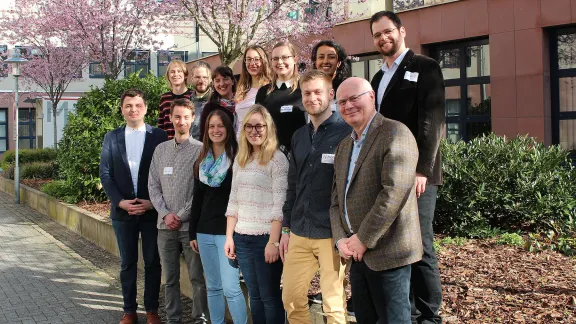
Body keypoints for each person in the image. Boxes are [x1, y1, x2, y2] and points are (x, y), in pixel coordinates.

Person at [368, 10, 446, 324]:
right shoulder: (377, 77)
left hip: (416, 174)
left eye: (388, 31)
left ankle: (430, 314)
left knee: (420, 242)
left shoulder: (425, 68)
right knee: (397, 242)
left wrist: (422, 170)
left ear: (402, 31)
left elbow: (432, 121)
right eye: (377, 34)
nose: (383, 38)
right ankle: (409, 310)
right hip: (387, 172)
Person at [331, 77, 423, 324]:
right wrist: (341, 240)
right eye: (342, 102)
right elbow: (335, 201)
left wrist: (363, 239)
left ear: (371, 96)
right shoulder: (343, 146)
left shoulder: (395, 133)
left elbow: (394, 193)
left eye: (354, 98)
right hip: (356, 253)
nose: (348, 105)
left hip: (389, 250)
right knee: (365, 319)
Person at [280, 70, 350, 324]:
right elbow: (292, 185)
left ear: (331, 94)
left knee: (333, 305)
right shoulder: (299, 136)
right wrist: (286, 228)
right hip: (299, 230)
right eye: (307, 93)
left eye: (318, 91)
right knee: (291, 297)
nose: (312, 98)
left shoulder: (346, 134)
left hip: (331, 232)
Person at [99, 89, 167, 324]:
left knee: (152, 263)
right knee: (127, 263)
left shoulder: (159, 135)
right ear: (122, 109)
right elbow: (105, 174)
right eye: (128, 106)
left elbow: (164, 174)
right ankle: (129, 310)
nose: (133, 109)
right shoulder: (112, 137)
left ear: (146, 108)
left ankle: (151, 310)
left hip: (151, 211)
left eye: (138, 105)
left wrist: (153, 202)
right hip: (123, 212)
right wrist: (120, 202)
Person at [224, 104, 288, 324]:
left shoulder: (277, 160)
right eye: (249, 126)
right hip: (242, 239)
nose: (254, 131)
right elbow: (234, 201)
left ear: (268, 128)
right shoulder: (241, 160)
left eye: (259, 126)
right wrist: (229, 237)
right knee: (255, 296)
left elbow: (279, 205)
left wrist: (273, 241)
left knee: (270, 297)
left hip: (264, 239)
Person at [148, 98, 209, 324]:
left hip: (189, 227)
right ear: (170, 119)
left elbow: (202, 190)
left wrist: (181, 215)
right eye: (177, 117)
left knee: (196, 277)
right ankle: (174, 319)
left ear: (192, 119)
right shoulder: (160, 150)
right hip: (164, 226)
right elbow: (153, 185)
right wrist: (165, 214)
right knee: (170, 278)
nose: (181, 121)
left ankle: (200, 318)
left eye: (185, 117)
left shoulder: (202, 150)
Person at [189, 109, 248, 324]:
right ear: (206, 130)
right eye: (211, 126)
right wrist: (192, 233)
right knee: (213, 286)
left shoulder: (238, 158)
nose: (216, 130)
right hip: (204, 231)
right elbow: (197, 199)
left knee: (231, 287)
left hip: (228, 233)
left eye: (220, 126)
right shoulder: (202, 162)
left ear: (228, 129)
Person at [255, 41, 306, 153]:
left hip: (299, 154)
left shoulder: (305, 89)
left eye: (284, 57)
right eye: (276, 58)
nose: (280, 62)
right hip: (269, 154)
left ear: (295, 59)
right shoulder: (263, 93)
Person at [235, 45, 271, 137]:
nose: (252, 63)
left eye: (256, 59)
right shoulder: (241, 90)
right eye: (249, 59)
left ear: (264, 61)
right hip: (240, 144)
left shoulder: (270, 89)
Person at [198, 66, 237, 141]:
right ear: (213, 84)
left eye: (225, 79)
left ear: (232, 81)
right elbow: (204, 135)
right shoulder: (210, 108)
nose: (222, 84)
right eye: (217, 81)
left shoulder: (243, 102)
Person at [158, 60, 194, 140]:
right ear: (168, 76)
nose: (176, 74)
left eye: (179, 71)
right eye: (172, 72)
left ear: (185, 75)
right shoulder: (164, 98)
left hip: (191, 145)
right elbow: (161, 126)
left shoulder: (193, 96)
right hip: (169, 146)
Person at [190, 61, 213, 141]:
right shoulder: (187, 103)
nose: (201, 80)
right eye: (197, 77)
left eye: (205, 77)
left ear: (210, 79)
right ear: (192, 79)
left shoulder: (217, 101)